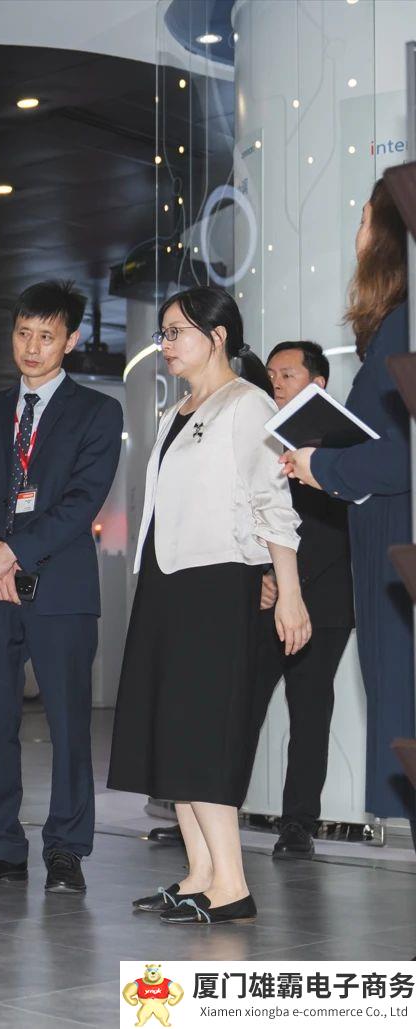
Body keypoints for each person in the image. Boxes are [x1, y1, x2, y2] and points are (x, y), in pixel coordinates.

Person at [110, 286, 308, 926]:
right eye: (163, 333)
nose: (165, 345)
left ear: (217, 336)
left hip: (217, 584)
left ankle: (233, 887)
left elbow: (272, 503)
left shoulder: (247, 404)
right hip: (169, 583)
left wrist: (288, 590)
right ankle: (200, 875)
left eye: (176, 332)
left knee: (203, 738)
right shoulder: (178, 411)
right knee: (173, 738)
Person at [0, 280, 122, 894]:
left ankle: (67, 850)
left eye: (46, 336)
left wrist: (13, 553)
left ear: (70, 341)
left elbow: (82, 501)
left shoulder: (98, 411)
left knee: (69, 724)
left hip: (60, 589)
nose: (32, 346)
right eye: (23, 333)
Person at [282, 175, 415, 830]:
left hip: (396, 553)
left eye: (364, 220)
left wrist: (322, 464)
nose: (357, 234)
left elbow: (399, 457)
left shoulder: (401, 327)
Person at [255, 340, 355, 860]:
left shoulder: (344, 443)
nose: (275, 382)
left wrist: (288, 580)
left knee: (310, 712)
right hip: (262, 595)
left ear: (318, 384)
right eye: (271, 374)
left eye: (287, 374)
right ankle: (206, 816)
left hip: (325, 601)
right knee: (234, 711)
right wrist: (262, 576)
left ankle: (298, 824)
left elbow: (339, 528)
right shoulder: (257, 434)